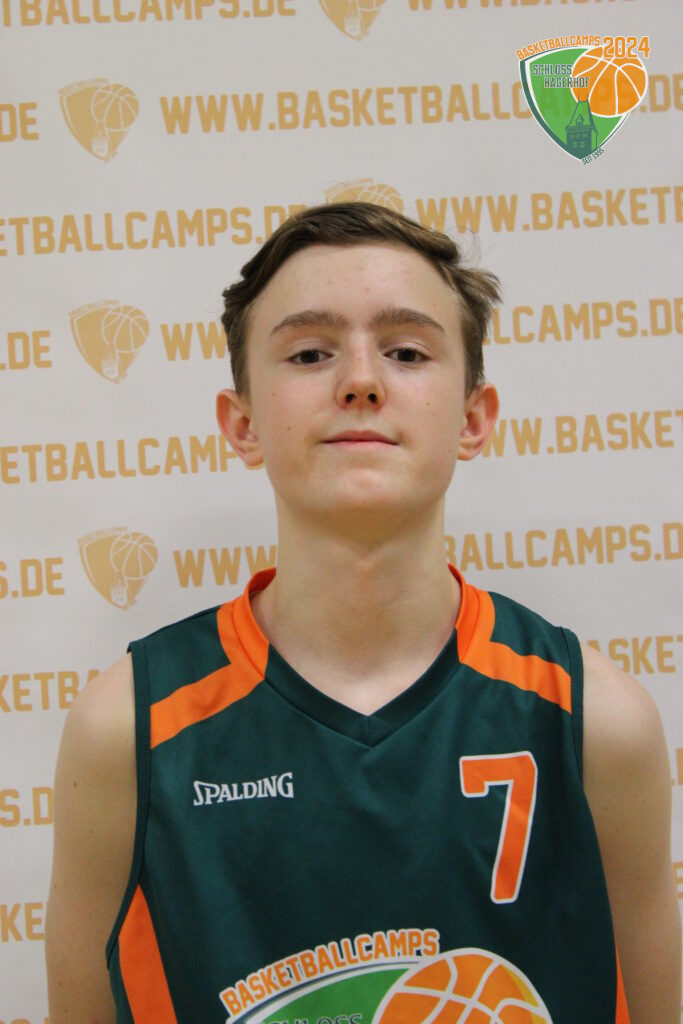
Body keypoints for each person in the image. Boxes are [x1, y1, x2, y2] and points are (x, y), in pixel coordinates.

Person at [46, 202, 680, 1024]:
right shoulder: (126, 730)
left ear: (473, 419)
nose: (360, 381)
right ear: (242, 424)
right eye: (309, 353)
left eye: (406, 351)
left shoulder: (596, 721)